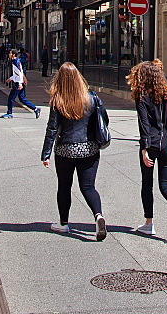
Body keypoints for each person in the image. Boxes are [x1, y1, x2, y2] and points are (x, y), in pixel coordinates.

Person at [41, 62, 108, 240]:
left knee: (64, 186)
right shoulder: (92, 97)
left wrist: (46, 153)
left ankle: (63, 223)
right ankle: (98, 216)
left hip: (66, 150)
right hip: (89, 149)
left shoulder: (58, 100)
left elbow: (52, 129)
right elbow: (104, 120)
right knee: (88, 186)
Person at [127, 60, 167, 243]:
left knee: (147, 184)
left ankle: (149, 223)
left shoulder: (142, 95)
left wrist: (144, 149)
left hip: (152, 144)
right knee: (166, 186)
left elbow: (144, 125)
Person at [2, 50, 41, 119]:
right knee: (22, 99)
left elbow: (19, 73)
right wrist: (11, 78)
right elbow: (17, 73)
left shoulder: (16, 62)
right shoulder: (15, 61)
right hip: (19, 82)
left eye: (10, 53)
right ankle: (35, 109)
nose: (9, 54)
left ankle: (9, 113)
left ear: (13, 55)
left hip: (18, 83)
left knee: (11, 98)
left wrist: (20, 83)